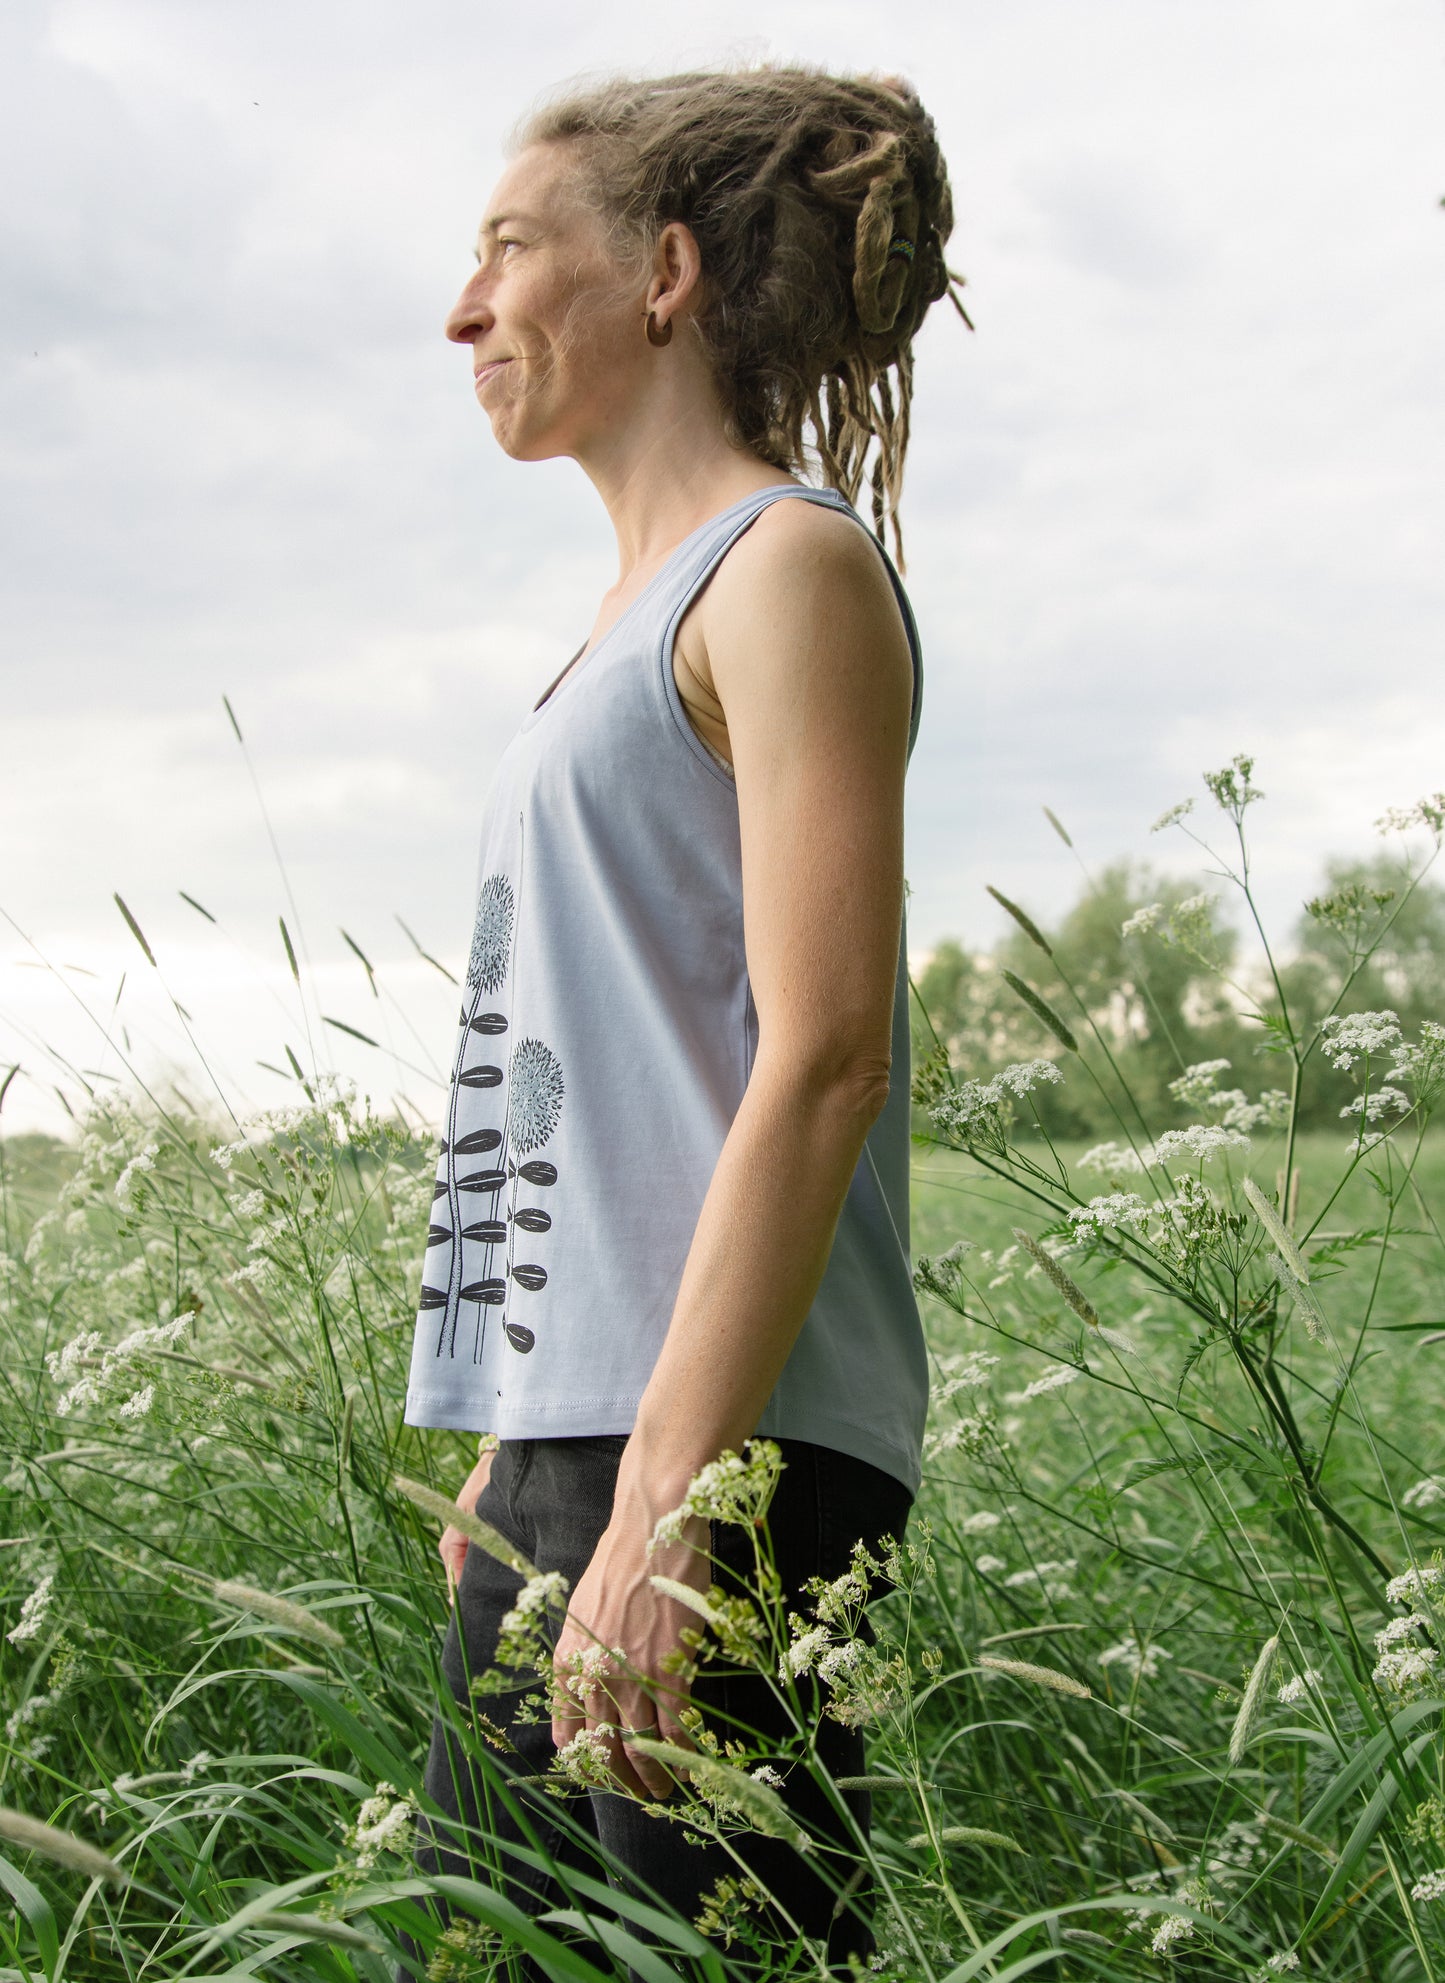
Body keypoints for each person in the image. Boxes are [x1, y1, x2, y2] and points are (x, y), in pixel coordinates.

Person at [399, 63, 962, 1974]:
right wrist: (505, 1449)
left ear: (659, 271)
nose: (462, 311)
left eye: (504, 252)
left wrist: (665, 1502)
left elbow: (823, 1058)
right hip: (580, 1442)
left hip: (722, 1456)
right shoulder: (610, 635)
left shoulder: (782, 570)